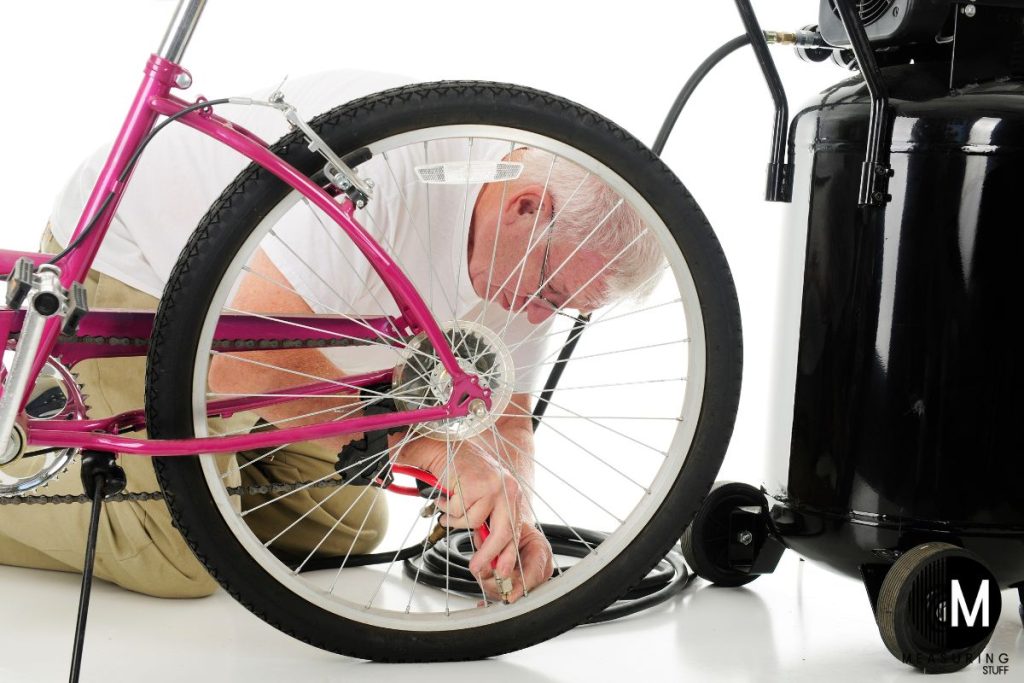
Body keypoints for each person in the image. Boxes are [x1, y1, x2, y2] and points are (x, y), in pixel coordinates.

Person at [0, 70, 661, 604]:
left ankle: (215, 456)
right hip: (143, 267)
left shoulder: (531, 255)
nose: (541, 317)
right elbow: (238, 363)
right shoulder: (396, 169)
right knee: (176, 551)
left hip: (277, 341)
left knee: (344, 525)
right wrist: (425, 446)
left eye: (567, 308)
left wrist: (511, 514)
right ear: (527, 208)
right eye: (549, 293)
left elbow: (507, 420)